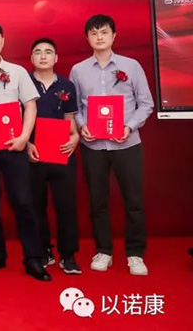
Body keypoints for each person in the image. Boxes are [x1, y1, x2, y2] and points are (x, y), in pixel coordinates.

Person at [70, 14, 154, 276]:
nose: (99, 37)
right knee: (98, 202)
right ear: (88, 38)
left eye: (104, 32)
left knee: (134, 201)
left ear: (114, 35)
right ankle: (104, 251)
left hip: (127, 144)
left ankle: (135, 254)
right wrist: (82, 125)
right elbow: (75, 106)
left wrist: (129, 126)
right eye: (94, 33)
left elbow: (146, 104)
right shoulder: (78, 70)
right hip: (93, 146)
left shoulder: (132, 66)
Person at [0, 21, 51, 281]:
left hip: (13, 142)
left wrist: (24, 138)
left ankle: (33, 258)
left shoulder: (18, 72)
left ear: (2, 41)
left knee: (23, 201)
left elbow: (31, 106)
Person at [26, 38, 82, 275]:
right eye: (38, 52)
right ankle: (43, 250)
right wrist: (27, 144)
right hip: (33, 153)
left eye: (48, 52)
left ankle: (68, 255)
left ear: (56, 58)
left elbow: (70, 120)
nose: (43, 56)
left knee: (66, 206)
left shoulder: (66, 85)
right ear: (31, 58)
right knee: (35, 206)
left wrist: (75, 137)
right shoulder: (23, 82)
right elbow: (17, 118)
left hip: (61, 152)